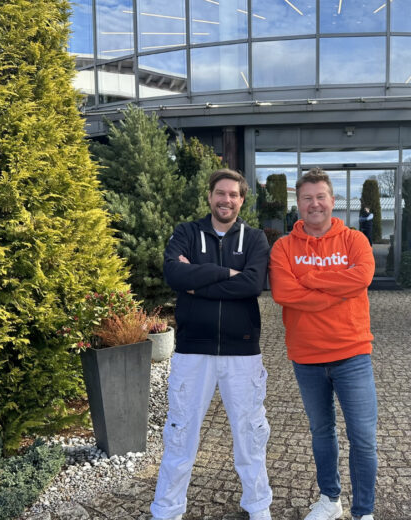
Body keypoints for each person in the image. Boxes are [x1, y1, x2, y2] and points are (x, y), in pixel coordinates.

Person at [151, 169, 272, 520]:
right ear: (209, 196)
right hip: (192, 351)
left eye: (233, 194)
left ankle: (258, 506)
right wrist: (226, 274)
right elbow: (174, 274)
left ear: (242, 199)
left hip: (242, 353)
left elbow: (252, 286)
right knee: (180, 433)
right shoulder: (186, 232)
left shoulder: (255, 239)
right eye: (221, 193)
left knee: (250, 435)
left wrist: (198, 279)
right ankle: (167, 509)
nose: (226, 200)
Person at [269, 168, 378, 520]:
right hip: (307, 356)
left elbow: (362, 277)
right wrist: (338, 292)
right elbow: (284, 293)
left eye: (320, 197)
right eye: (306, 198)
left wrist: (311, 280)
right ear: (297, 204)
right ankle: (330, 500)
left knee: (362, 437)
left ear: (332, 201)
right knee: (322, 432)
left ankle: (364, 512)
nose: (314, 204)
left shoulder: (355, 241)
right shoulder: (284, 247)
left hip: (353, 354)